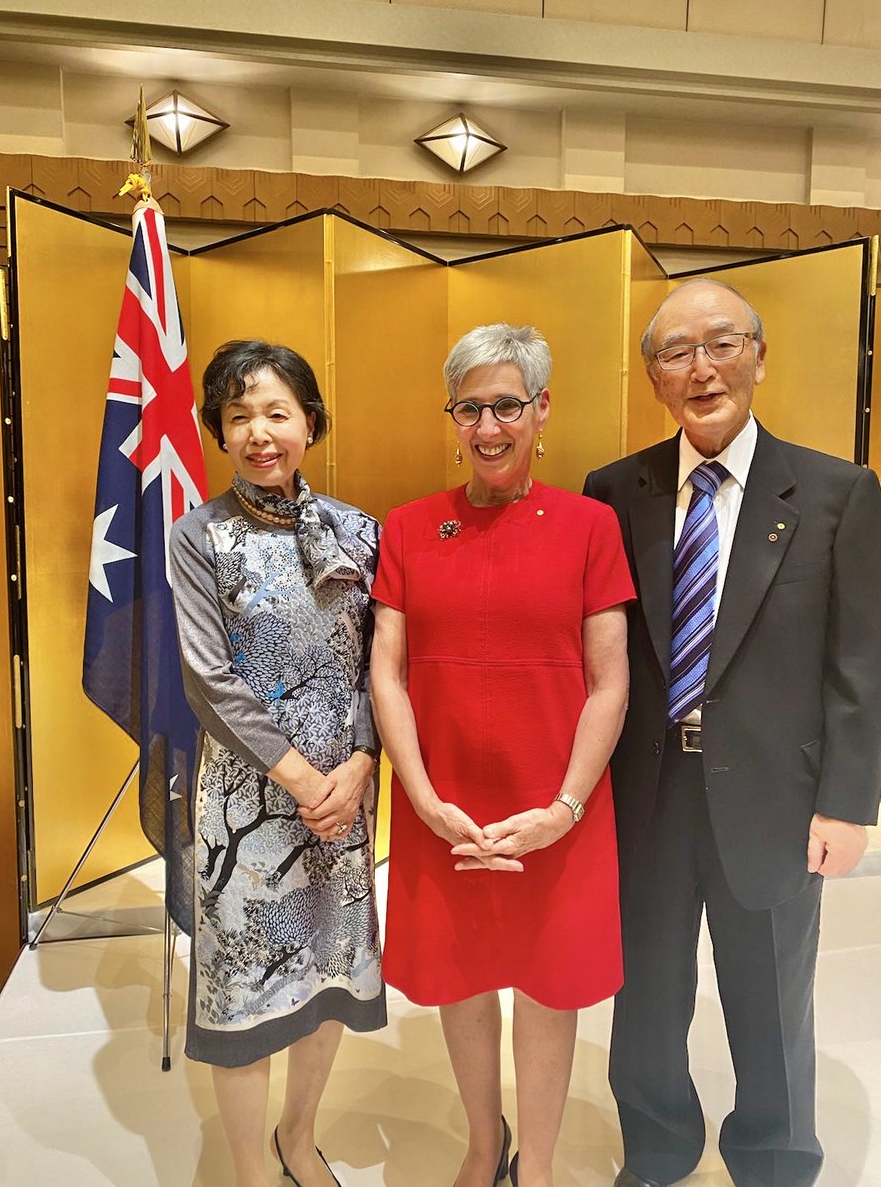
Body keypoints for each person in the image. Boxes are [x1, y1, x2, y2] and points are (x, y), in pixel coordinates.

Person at [583, 279, 881, 1187]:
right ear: (653, 377)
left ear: (759, 355)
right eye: (677, 352)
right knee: (647, 997)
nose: (701, 368)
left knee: (772, 998)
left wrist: (847, 804)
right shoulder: (613, 491)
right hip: (648, 798)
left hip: (778, 800)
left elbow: (861, 663)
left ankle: (778, 1157)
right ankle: (660, 1147)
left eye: (722, 344)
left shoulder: (837, 491)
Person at [370, 323, 635, 1187]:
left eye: (507, 407)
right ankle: (484, 1146)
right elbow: (389, 673)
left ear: (542, 410)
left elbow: (609, 682)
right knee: (460, 979)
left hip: (557, 804)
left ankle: (543, 1167)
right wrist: (420, 795)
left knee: (550, 988)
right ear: (451, 416)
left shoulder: (592, 526)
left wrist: (563, 808)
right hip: (442, 804)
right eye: (471, 408)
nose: (489, 427)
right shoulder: (408, 528)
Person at [169, 340, 386, 1187]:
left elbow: (380, 663)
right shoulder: (199, 535)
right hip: (246, 808)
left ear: (310, 423)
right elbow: (207, 678)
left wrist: (362, 761)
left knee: (328, 971)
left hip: (344, 798)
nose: (258, 433)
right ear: (218, 432)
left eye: (276, 413)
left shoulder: (361, 530)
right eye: (237, 417)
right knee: (245, 994)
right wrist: (299, 778)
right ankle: (250, 1175)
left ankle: (299, 1139)